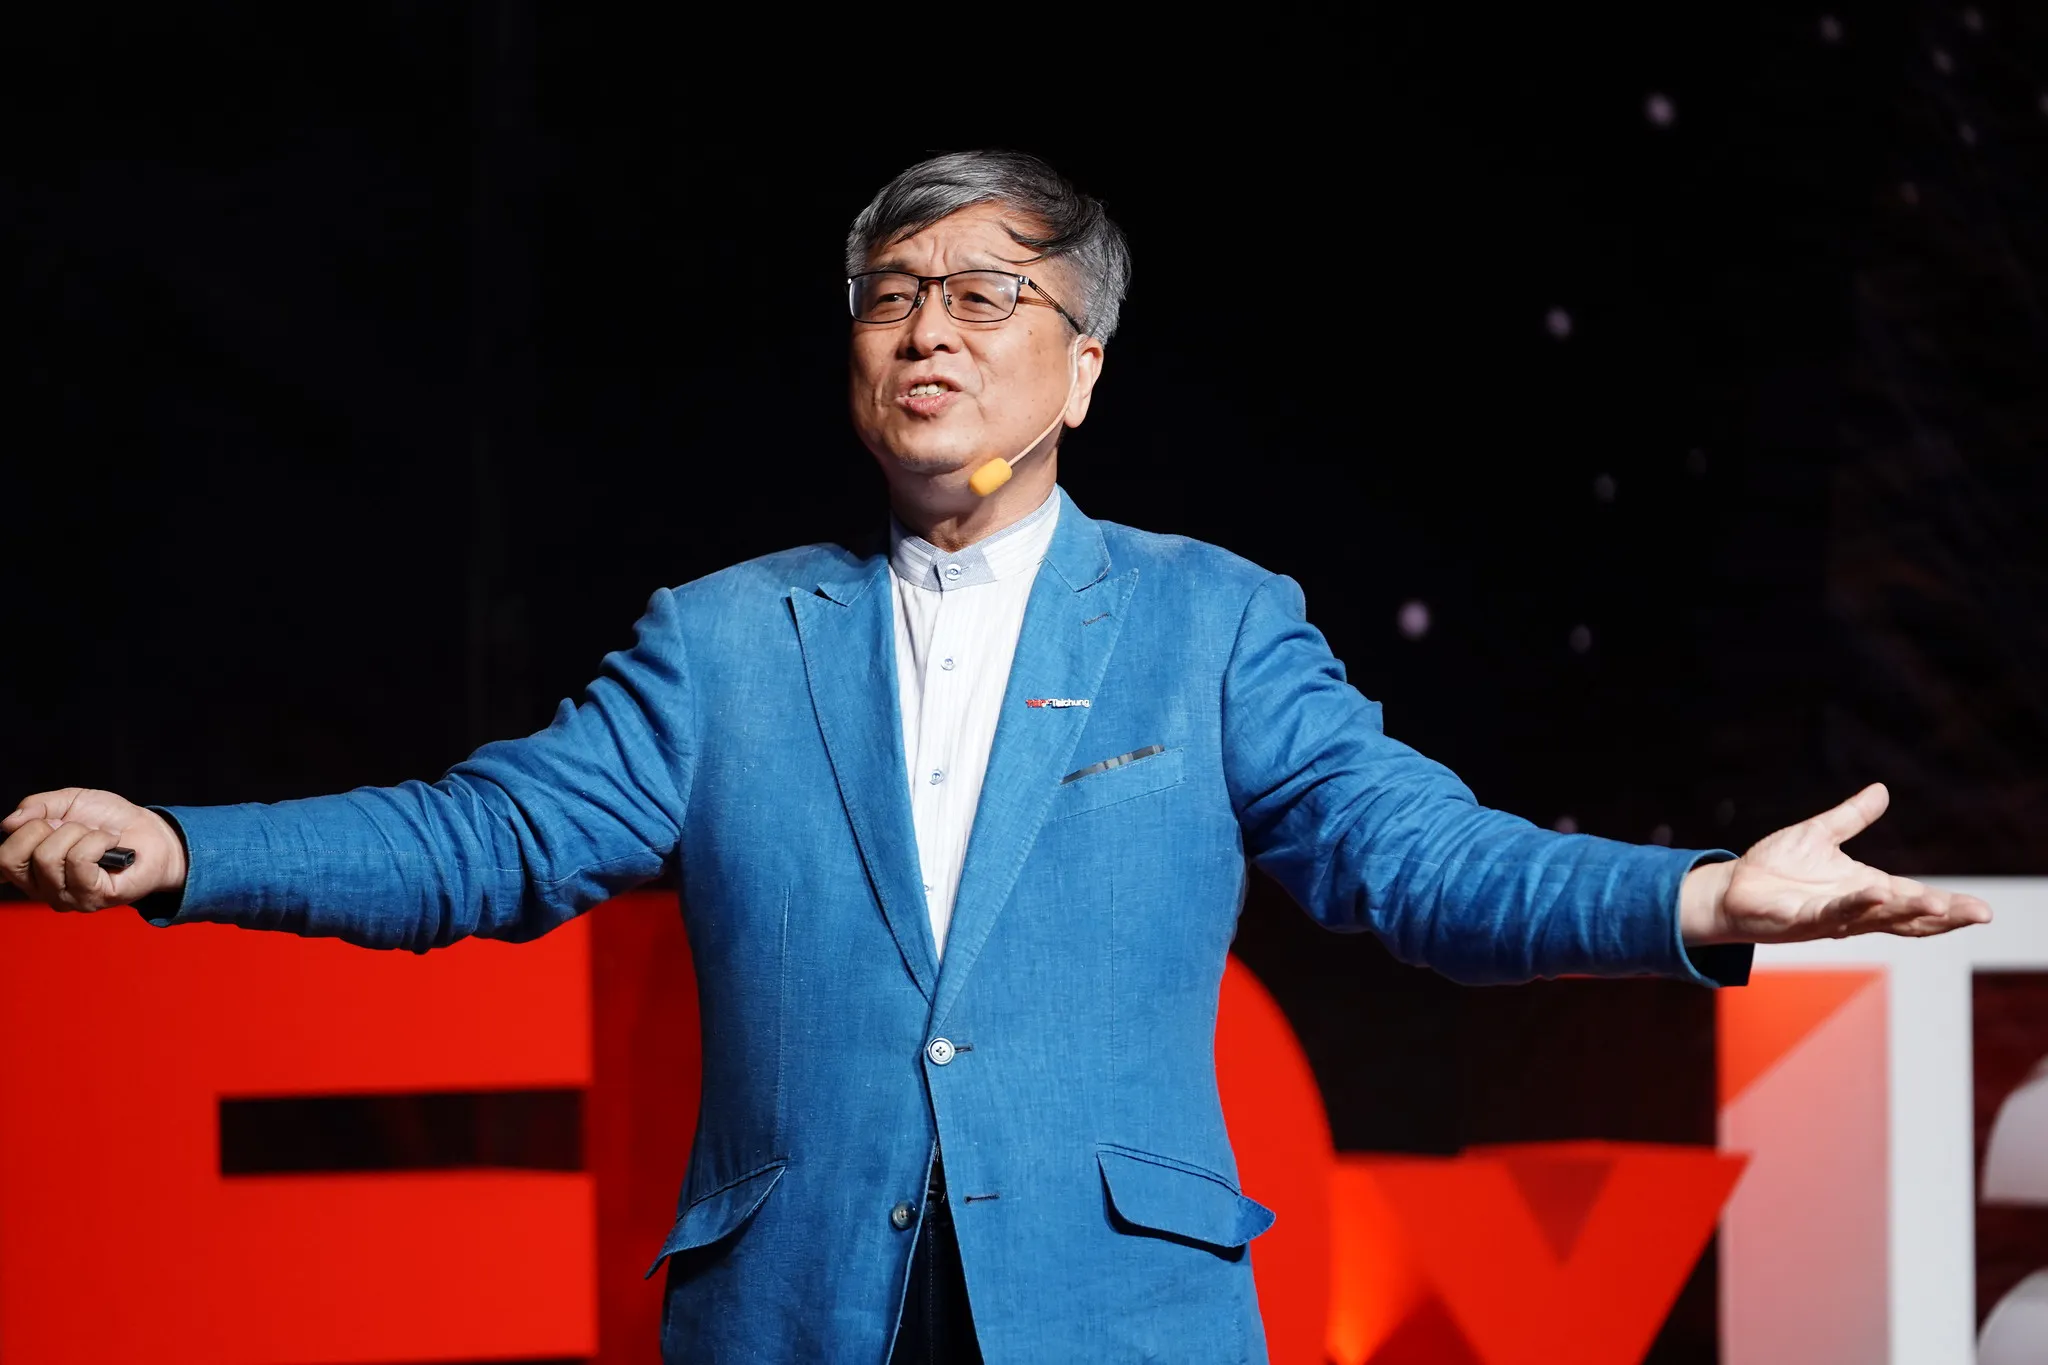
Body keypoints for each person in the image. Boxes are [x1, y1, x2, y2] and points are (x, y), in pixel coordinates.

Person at [0, 150, 1992, 1365]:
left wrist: (1701, 895)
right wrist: (185, 846)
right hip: (792, 1312)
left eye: (985, 296)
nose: (928, 333)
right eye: (891, 300)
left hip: (1120, 1315)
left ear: (1084, 367)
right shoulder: (722, 638)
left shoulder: (1213, 621)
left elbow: (1418, 861)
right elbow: (483, 842)